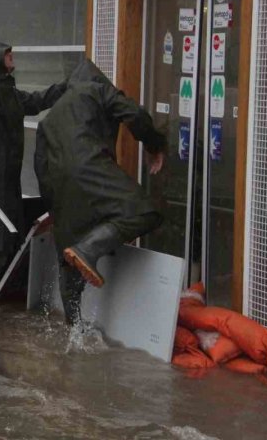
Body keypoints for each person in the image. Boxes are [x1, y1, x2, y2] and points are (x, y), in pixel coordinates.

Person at [34, 59, 167, 326]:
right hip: (91, 166)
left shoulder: (49, 119)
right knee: (144, 211)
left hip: (59, 186)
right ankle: (90, 248)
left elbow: (40, 165)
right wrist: (155, 145)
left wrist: (54, 211)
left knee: (67, 260)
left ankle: (74, 332)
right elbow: (135, 114)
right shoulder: (97, 90)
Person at [0, 36, 67, 324]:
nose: (12, 57)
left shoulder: (5, 90)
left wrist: (68, 86)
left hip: (3, 184)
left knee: (4, 244)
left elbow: (35, 102)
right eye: (7, 54)